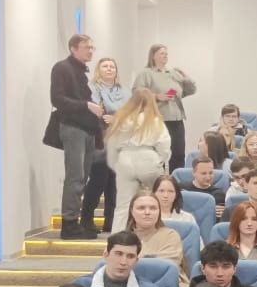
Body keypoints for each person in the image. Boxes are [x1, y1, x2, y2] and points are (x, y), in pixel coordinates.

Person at [51, 34, 103, 239]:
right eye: (86, 47)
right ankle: (69, 223)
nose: (90, 51)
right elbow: (57, 99)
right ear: (73, 48)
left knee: (83, 176)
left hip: (88, 128)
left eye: (92, 47)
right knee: (75, 176)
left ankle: (78, 220)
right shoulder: (62, 68)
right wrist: (86, 105)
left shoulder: (83, 71)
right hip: (73, 127)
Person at [103, 89, 172, 234]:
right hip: (148, 156)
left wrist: (116, 166)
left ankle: (117, 238)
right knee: (155, 202)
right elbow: (164, 144)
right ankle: (156, 236)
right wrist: (160, 161)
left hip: (125, 158)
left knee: (123, 206)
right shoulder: (154, 121)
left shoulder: (120, 121)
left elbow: (111, 146)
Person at [81, 56, 130, 234]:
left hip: (120, 138)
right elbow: (92, 109)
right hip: (100, 138)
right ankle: (86, 218)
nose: (109, 69)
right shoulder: (92, 88)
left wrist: (117, 118)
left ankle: (111, 221)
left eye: (112, 66)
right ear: (98, 70)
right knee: (98, 179)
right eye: (105, 66)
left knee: (114, 182)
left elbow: (132, 112)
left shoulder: (125, 91)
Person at [132, 44, 196, 171]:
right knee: (158, 154)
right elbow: (137, 94)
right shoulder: (146, 73)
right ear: (153, 56)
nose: (165, 56)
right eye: (162, 53)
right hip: (158, 119)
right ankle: (157, 179)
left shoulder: (173, 73)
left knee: (178, 153)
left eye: (166, 54)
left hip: (176, 118)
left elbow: (190, 91)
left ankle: (176, 179)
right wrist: (156, 96)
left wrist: (186, 78)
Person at [123, 192, 188, 287]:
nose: (147, 212)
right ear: (132, 212)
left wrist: (134, 262)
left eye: (153, 208)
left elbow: (165, 267)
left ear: (159, 212)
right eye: (141, 208)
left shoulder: (171, 235)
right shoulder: (122, 239)